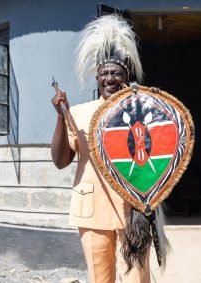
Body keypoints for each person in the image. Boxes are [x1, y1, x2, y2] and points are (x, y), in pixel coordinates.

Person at [51, 15, 170, 283]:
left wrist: (159, 110)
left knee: (136, 278)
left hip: (135, 210)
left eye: (116, 72)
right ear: (97, 76)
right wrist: (60, 117)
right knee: (99, 277)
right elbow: (60, 161)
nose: (110, 79)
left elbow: (164, 151)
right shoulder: (79, 114)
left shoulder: (143, 110)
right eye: (104, 73)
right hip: (92, 208)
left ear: (127, 75)